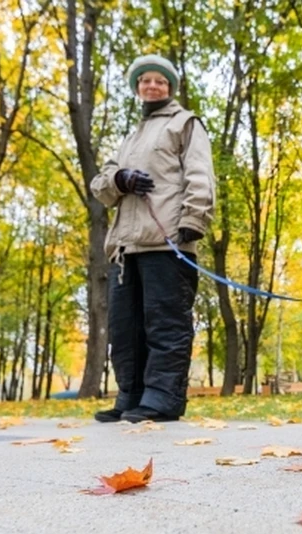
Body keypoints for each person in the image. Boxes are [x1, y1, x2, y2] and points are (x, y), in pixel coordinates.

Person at [89, 54, 215, 423]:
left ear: (170, 87)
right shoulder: (130, 137)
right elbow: (101, 185)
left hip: (167, 241)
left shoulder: (185, 123)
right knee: (126, 329)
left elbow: (200, 173)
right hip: (125, 248)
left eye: (160, 81)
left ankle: (163, 399)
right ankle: (130, 397)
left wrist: (194, 217)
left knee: (165, 324)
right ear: (138, 88)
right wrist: (120, 180)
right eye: (145, 80)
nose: (152, 86)